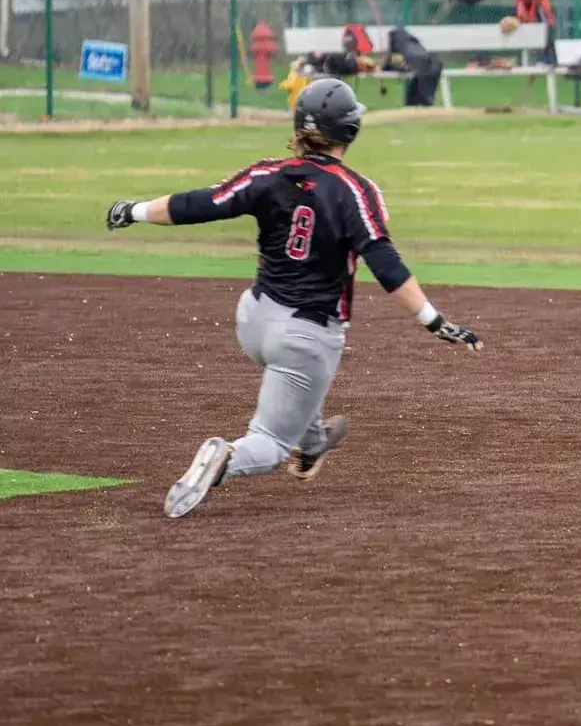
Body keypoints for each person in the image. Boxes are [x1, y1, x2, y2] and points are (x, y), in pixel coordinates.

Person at [104, 77, 487, 518]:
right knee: (269, 443)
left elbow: (200, 204)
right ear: (350, 131)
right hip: (306, 335)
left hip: (253, 320)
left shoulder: (268, 173)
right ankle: (224, 457)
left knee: (299, 385)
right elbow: (384, 263)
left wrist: (132, 210)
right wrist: (435, 322)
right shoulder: (355, 190)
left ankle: (314, 444)